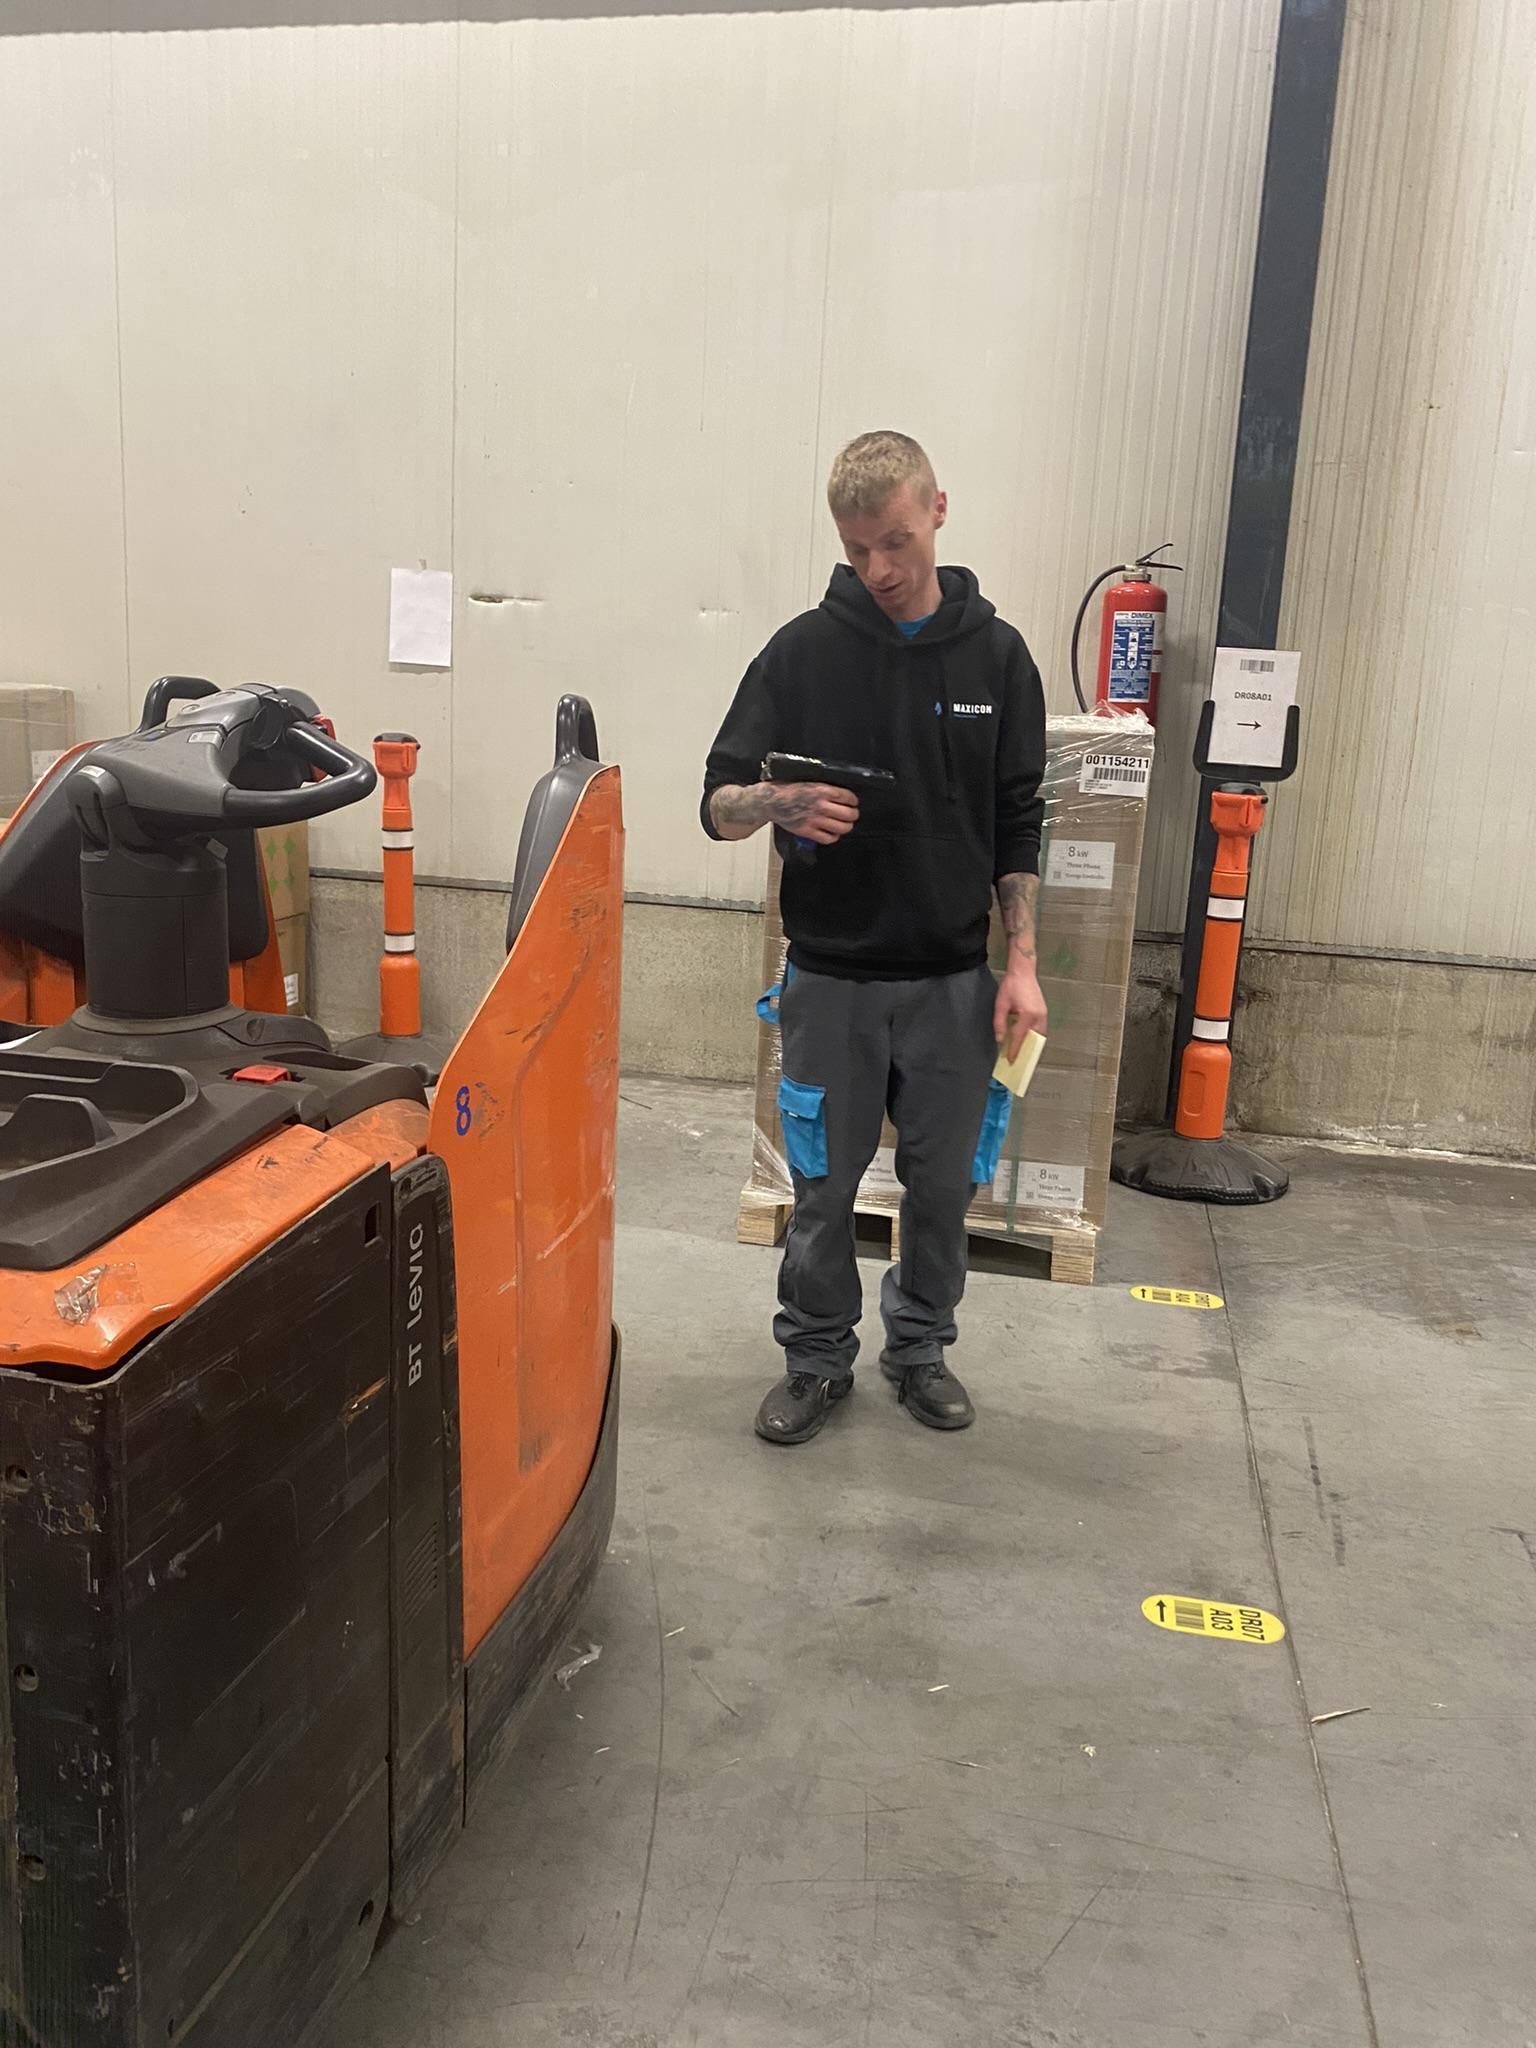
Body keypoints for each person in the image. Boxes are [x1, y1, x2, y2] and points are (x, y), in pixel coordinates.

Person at [701, 430, 1048, 1445]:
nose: (880, 569)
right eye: (858, 550)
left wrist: (1022, 966)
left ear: (938, 509)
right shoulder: (801, 654)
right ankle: (816, 1360)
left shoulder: (999, 658)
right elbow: (715, 803)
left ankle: (921, 1349)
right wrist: (778, 801)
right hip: (831, 984)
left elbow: (1018, 821)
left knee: (943, 1188)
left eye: (895, 541)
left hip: (951, 985)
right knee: (822, 1193)